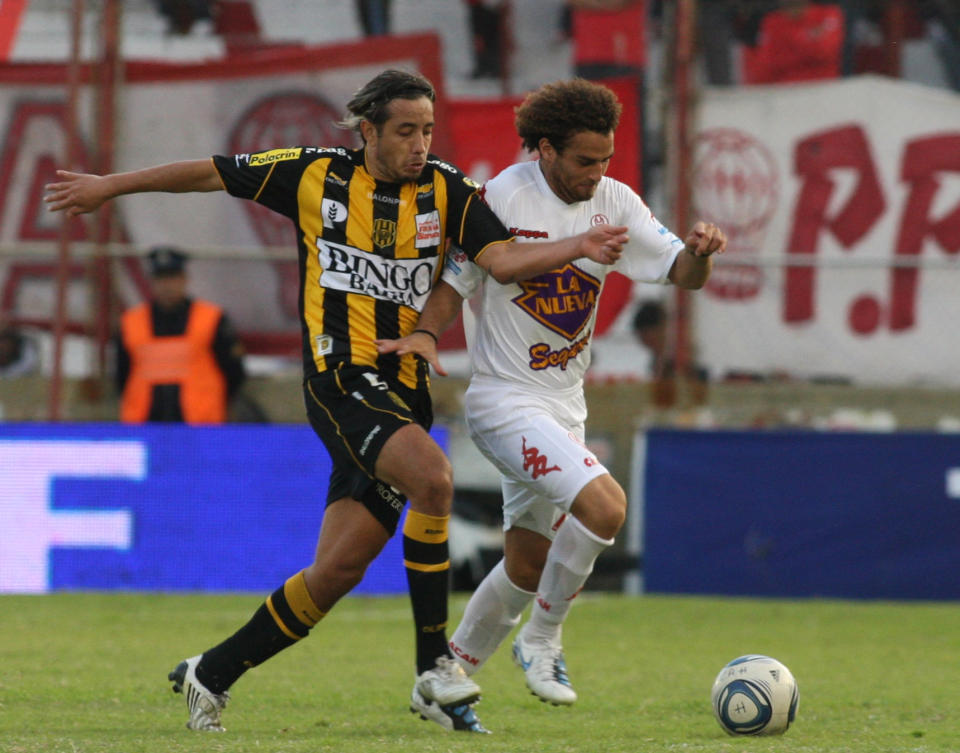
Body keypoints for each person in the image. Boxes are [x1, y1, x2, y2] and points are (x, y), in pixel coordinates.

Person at [44, 69, 629, 734]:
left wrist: (578, 245)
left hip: (404, 395)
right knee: (434, 478)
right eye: (404, 130)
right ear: (369, 130)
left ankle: (212, 671)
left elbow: (498, 260)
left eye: (427, 130)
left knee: (336, 570)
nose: (418, 143)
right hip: (341, 380)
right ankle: (436, 667)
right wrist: (109, 188)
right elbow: (209, 172)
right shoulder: (313, 173)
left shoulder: (449, 188)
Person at [377, 78, 725, 713]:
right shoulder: (499, 198)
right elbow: (457, 282)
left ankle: (443, 679)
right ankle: (542, 638)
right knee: (606, 508)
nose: (597, 173)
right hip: (504, 400)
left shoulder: (615, 201)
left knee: (527, 564)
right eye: (585, 160)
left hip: (566, 404)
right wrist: (426, 333)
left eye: (606, 160)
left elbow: (682, 273)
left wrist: (701, 254)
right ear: (544, 150)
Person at [115, 246, 246, 424]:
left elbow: (234, 372)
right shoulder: (130, 322)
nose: (167, 285)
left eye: (172, 278)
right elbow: (122, 374)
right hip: (144, 425)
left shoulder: (212, 319)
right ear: (152, 282)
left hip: (201, 425)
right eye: (161, 279)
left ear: (184, 279)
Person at [743, 0, 845, 84]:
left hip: (825, 89)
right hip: (785, 92)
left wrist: (787, 42)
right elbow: (766, 66)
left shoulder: (828, 14)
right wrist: (808, 38)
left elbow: (825, 51)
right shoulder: (771, 22)